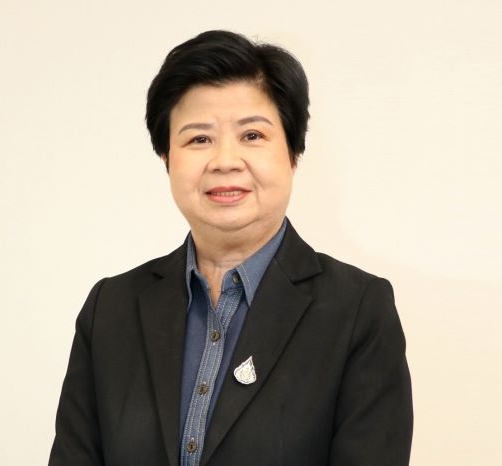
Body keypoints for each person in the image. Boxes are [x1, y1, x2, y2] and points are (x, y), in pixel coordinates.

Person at [49, 30, 413, 466]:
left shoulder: (357, 311)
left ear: (293, 153)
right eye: (198, 139)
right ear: (166, 158)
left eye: (252, 136)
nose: (224, 161)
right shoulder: (111, 308)